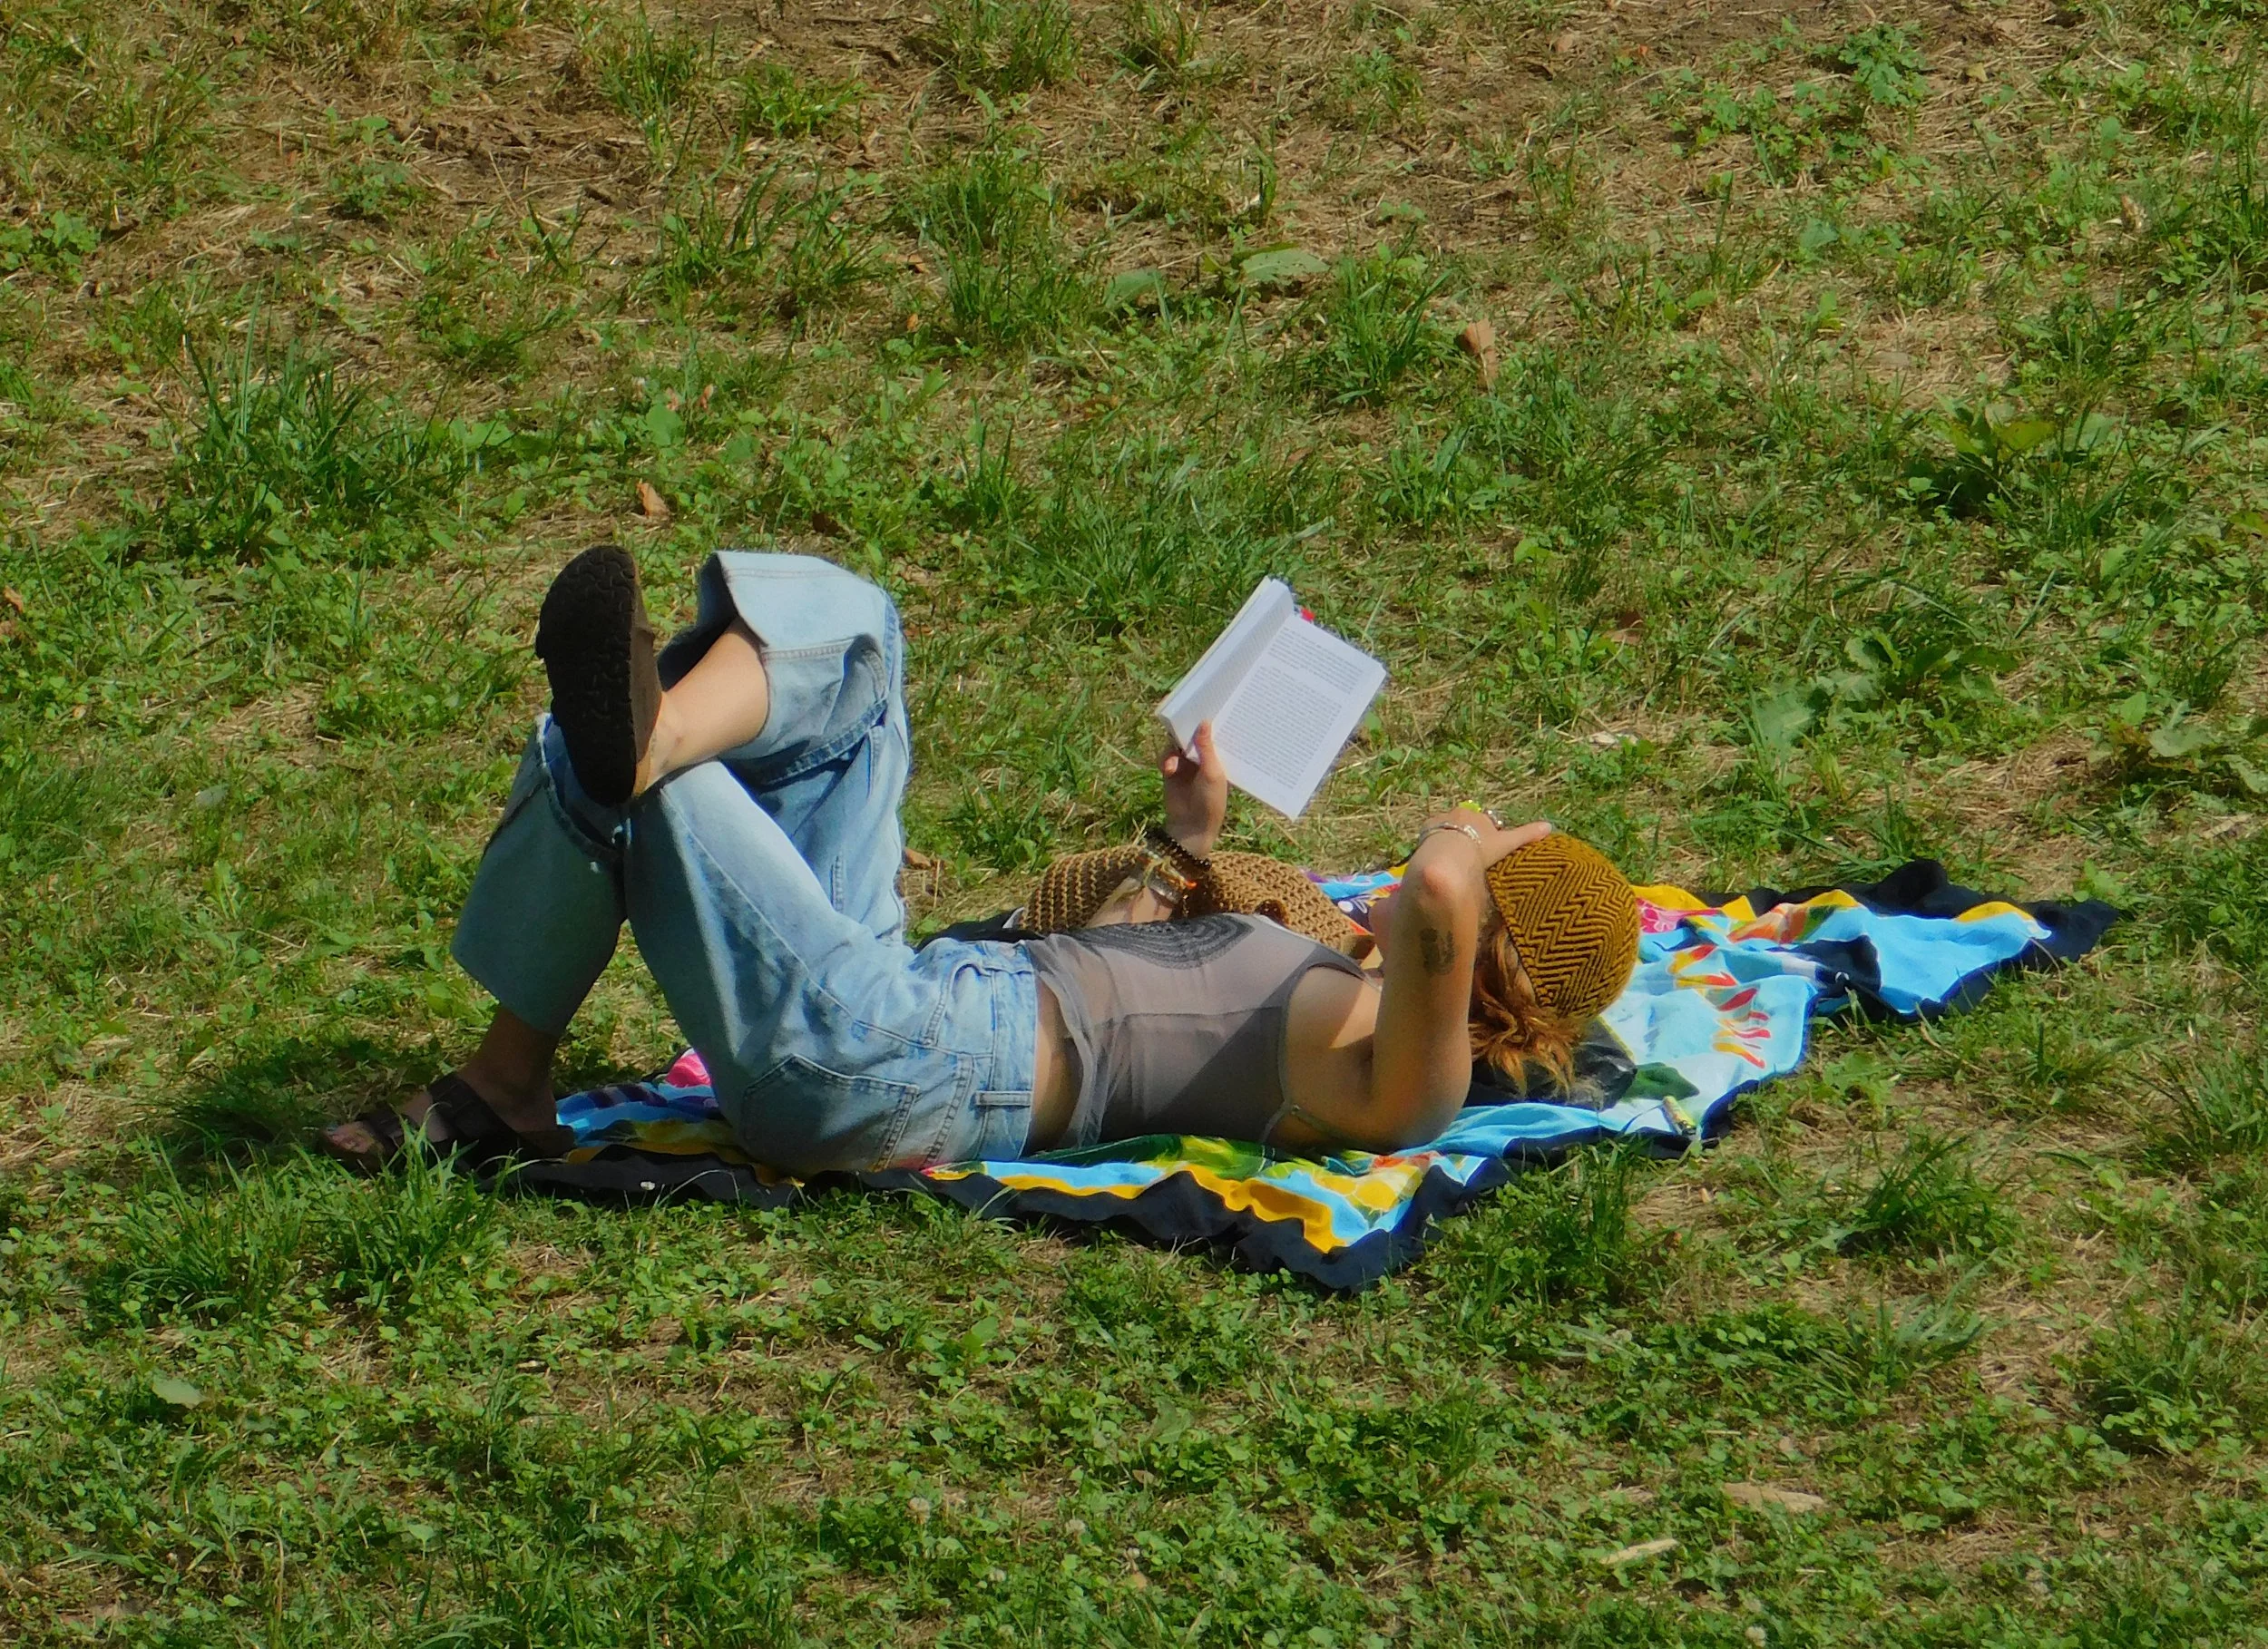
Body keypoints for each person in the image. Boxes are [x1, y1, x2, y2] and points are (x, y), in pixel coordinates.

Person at [321, 544, 1641, 1176]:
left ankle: (513, 1055)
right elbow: (1101, 968)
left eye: (1495, 865)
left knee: (625, 768)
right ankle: (651, 736)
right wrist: (1184, 843)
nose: (1454, 840)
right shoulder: (1341, 985)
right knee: (862, 642)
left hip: (898, 1065)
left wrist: (1477, 841)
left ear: (1495, 950)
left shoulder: (1409, 1084)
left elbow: (1439, 889)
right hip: (917, 1004)